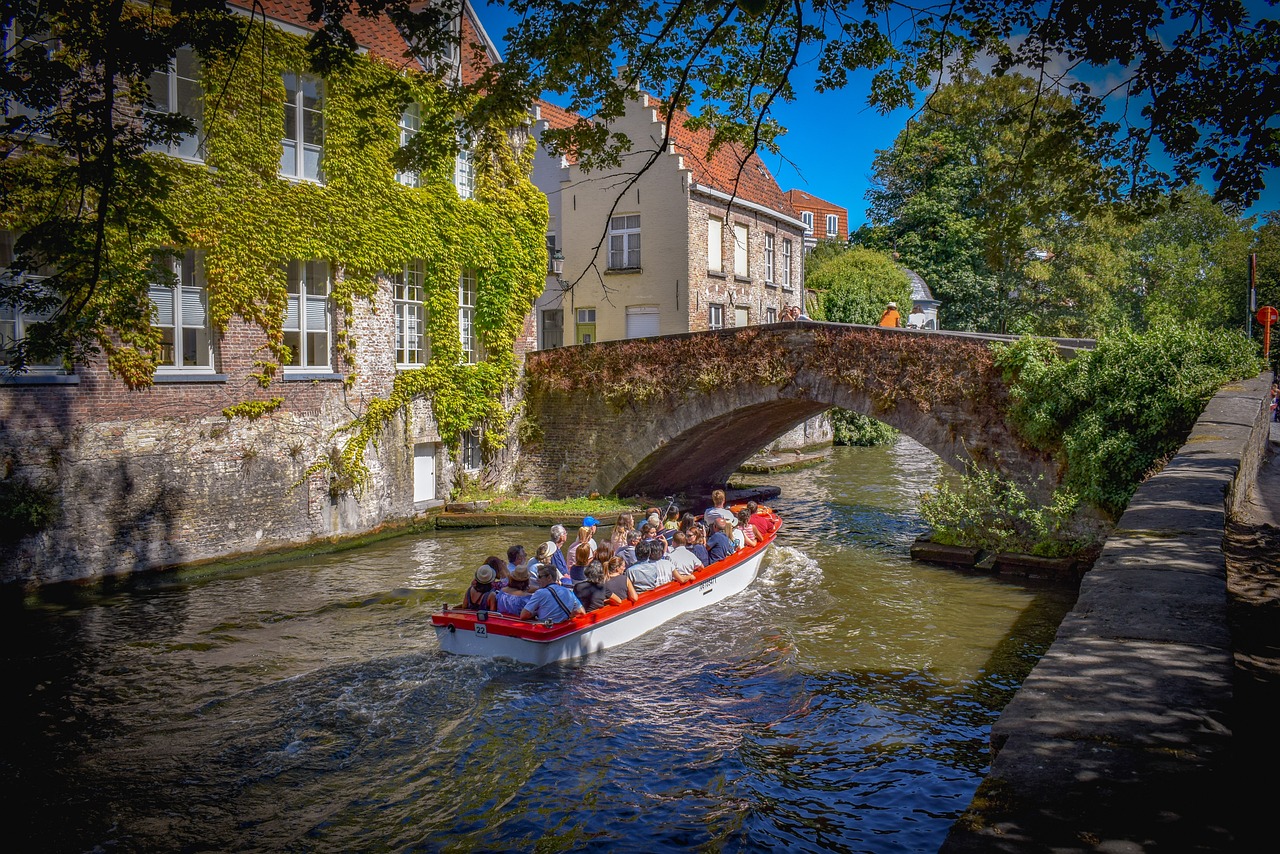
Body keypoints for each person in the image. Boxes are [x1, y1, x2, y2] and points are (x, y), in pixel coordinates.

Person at [520, 565, 585, 623]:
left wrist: (536, 613)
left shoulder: (540, 593)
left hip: (546, 631)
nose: (537, 580)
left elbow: (523, 615)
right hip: (564, 629)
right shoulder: (569, 592)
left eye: (539, 576)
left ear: (549, 577)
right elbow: (581, 612)